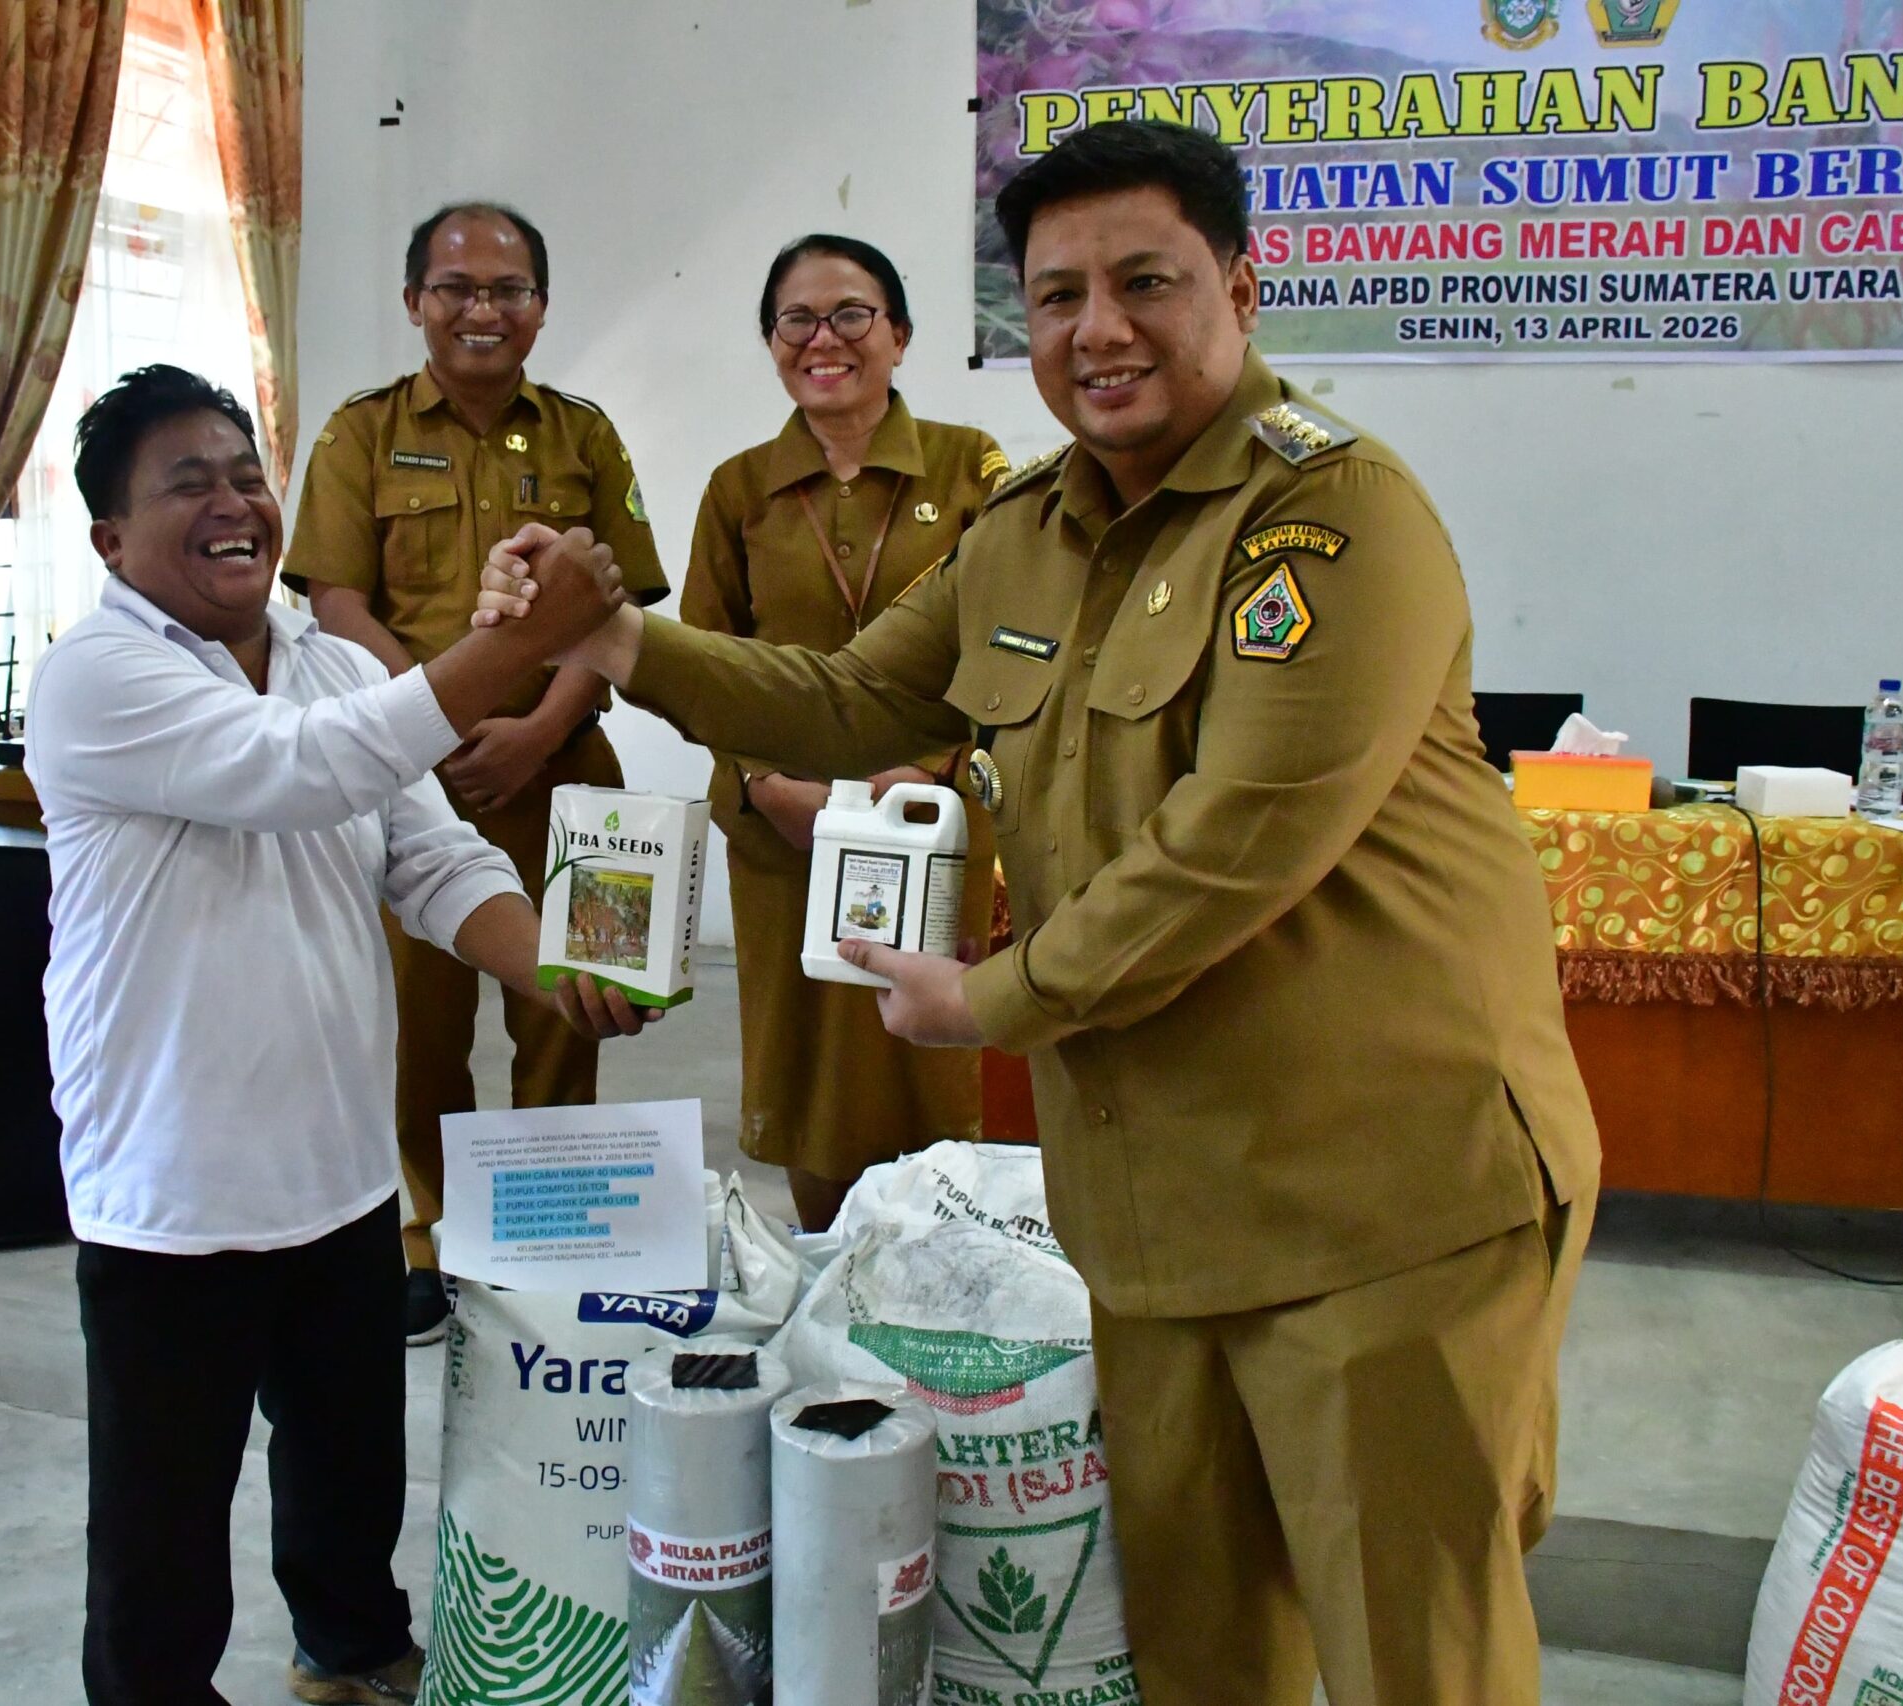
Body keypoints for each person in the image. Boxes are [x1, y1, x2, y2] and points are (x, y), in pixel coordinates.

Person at [478, 121, 1602, 1706]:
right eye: (1060, 294)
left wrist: (984, 1001)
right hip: (1155, 1216)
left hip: (1380, 1204)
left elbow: (1234, 845)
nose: (1099, 329)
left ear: (1241, 288)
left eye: (1147, 282)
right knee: (1204, 1648)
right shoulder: (1023, 534)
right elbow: (848, 697)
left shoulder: (1335, 518)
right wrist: (616, 643)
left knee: (1413, 1655)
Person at [26, 365, 642, 1706]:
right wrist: (526, 643)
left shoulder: (333, 661)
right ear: (111, 539)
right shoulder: (97, 676)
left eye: (246, 475)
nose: (232, 503)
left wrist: (560, 971)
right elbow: (303, 769)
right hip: (175, 1184)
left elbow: (429, 854)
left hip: (339, 1160)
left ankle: (352, 1650)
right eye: (187, 484)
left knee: (350, 1461)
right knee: (161, 1515)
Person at [280, 201, 671, 1344]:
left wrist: (539, 728)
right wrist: (433, 726)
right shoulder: (358, 435)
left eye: (507, 289)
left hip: (568, 765)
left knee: (573, 1005)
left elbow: (620, 608)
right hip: (408, 779)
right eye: (455, 287)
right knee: (418, 1023)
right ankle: (432, 1239)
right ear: (415, 302)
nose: (481, 309)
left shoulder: (585, 437)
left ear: (540, 308)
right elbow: (338, 603)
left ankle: (545, 1229)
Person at [678, 234, 1009, 1231]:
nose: (824, 338)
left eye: (852, 314)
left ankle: (948, 1276)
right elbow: (704, 660)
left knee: (942, 1067)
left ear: (898, 334)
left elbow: (1015, 643)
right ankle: (830, 1271)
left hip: (935, 822)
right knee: (812, 1080)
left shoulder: (971, 467)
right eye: (797, 319)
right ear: (771, 341)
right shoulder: (739, 489)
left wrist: (932, 771)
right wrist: (767, 784)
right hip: (789, 832)